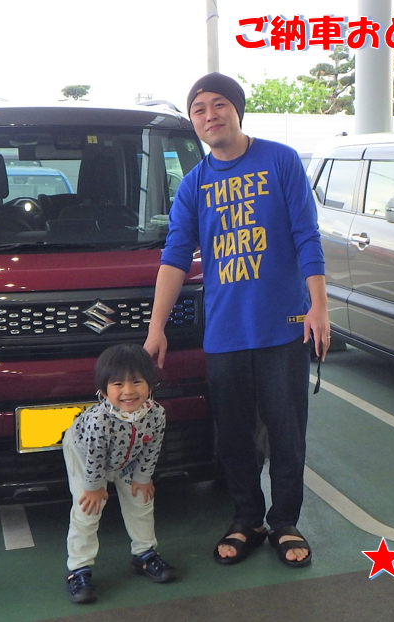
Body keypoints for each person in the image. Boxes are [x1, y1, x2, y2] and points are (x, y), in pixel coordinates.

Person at [144, 72, 329, 569]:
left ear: (237, 110)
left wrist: (318, 305)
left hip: (284, 324)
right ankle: (247, 518)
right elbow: (175, 256)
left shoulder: (280, 160)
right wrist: (156, 327)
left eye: (219, 104)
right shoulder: (194, 184)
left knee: (286, 431)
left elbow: (306, 235)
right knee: (233, 435)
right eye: (199, 109)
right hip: (225, 331)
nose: (210, 115)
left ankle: (285, 521)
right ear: (193, 121)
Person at [63, 343, 175, 604]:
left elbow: (152, 447)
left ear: (150, 384)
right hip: (85, 456)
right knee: (87, 509)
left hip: (127, 456)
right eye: (118, 384)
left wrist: (142, 478)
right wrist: (94, 487)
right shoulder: (99, 420)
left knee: (141, 499)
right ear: (103, 391)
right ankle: (78, 569)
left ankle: (144, 554)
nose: (128, 391)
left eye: (136, 382)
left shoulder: (156, 414)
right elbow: (94, 457)